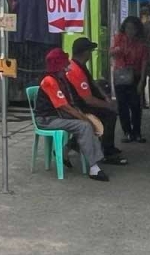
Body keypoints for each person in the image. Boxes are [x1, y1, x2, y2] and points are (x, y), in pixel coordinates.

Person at [34, 49, 110, 181]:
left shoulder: (61, 79)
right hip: (47, 119)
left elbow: (70, 104)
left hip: (58, 115)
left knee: (87, 123)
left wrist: (84, 116)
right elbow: (65, 107)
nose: (67, 65)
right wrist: (85, 119)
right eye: (64, 63)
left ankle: (67, 153)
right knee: (84, 126)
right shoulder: (49, 81)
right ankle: (94, 167)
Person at [66, 39, 127, 164]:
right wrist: (108, 105)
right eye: (90, 51)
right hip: (79, 107)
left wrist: (105, 97)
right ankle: (107, 152)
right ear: (84, 52)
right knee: (109, 115)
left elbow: (93, 83)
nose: (90, 53)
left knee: (107, 112)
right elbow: (88, 100)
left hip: (82, 104)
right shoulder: (76, 71)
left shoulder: (80, 65)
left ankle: (76, 146)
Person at [111, 16, 149, 143]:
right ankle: (127, 132)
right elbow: (111, 53)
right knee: (122, 105)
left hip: (136, 75)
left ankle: (137, 132)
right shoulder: (119, 39)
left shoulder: (141, 44)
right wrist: (118, 50)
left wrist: (142, 81)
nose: (130, 31)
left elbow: (144, 62)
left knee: (135, 105)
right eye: (128, 28)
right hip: (121, 75)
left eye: (133, 28)